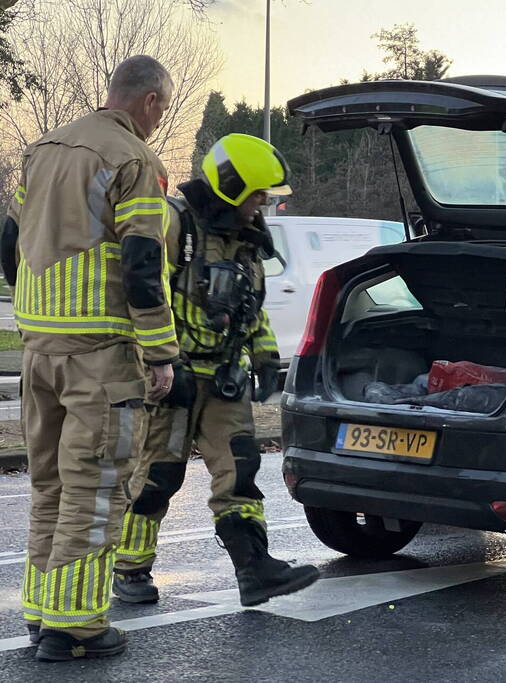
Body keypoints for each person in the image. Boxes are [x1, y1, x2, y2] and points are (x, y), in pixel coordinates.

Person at [2, 55, 178, 662]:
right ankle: (75, 625)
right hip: (99, 357)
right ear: (151, 101)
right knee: (96, 489)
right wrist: (159, 353)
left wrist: (33, 311)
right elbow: (142, 266)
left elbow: (10, 239)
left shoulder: (44, 148)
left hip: (39, 350)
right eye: (162, 109)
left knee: (48, 486)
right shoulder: (136, 162)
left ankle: (41, 612)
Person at [113, 133, 319, 608]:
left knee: (240, 471)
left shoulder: (245, 240)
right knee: (158, 477)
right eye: (257, 195)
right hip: (172, 377)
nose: (261, 205)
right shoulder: (173, 225)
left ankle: (255, 570)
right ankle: (130, 568)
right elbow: (140, 293)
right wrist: (160, 358)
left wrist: (266, 356)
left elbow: (254, 309)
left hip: (223, 376)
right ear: (230, 186)